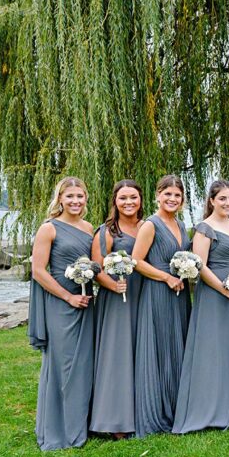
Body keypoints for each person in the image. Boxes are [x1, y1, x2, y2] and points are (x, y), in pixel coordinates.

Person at [172, 180, 229, 432]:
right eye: (223, 199)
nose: (228, 203)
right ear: (211, 201)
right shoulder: (204, 228)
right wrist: (225, 290)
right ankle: (208, 407)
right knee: (211, 348)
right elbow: (200, 265)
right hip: (214, 293)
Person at [27, 176, 95, 451]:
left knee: (83, 365)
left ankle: (81, 424)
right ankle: (58, 429)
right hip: (61, 303)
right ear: (60, 199)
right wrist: (68, 296)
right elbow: (38, 271)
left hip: (86, 301)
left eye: (80, 196)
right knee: (62, 365)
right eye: (70, 197)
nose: (75, 201)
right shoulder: (49, 229)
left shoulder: (89, 228)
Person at [131, 175, 192, 437]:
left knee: (178, 345)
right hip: (158, 293)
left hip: (180, 295)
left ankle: (178, 406)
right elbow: (136, 261)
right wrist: (166, 277)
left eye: (177, 195)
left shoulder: (181, 225)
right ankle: (156, 411)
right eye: (167, 194)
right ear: (157, 195)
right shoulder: (150, 225)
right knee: (160, 348)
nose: (172, 199)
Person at [90, 179, 144, 438]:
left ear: (141, 199)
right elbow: (96, 267)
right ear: (115, 202)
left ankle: (141, 413)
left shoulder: (147, 226)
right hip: (118, 299)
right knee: (118, 355)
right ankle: (114, 420)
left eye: (133, 197)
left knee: (141, 354)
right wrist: (113, 286)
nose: (129, 202)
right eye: (123, 198)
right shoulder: (107, 232)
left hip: (144, 295)